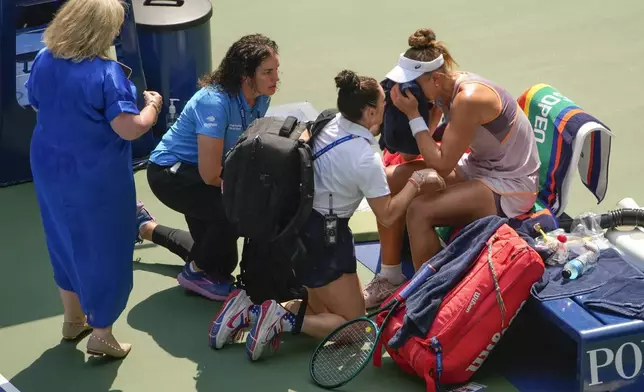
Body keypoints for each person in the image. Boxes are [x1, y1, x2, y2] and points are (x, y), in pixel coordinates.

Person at [209, 70, 443, 361]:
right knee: (357, 329)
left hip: (299, 226)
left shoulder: (329, 120)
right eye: (383, 104)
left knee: (323, 311)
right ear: (370, 112)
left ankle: (247, 310)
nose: (386, 109)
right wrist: (417, 182)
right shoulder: (364, 157)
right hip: (326, 240)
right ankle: (281, 319)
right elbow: (387, 215)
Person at [363, 28, 541, 308]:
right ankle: (391, 275)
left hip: (511, 184)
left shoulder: (468, 98)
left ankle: (429, 300)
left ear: (434, 78)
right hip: (477, 167)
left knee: (419, 210)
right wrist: (419, 118)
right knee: (387, 180)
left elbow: (442, 165)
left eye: (411, 84)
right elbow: (414, 157)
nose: (406, 91)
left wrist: (413, 116)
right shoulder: (439, 94)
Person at [26, 0, 162, 358]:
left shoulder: (43, 59)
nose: (118, 31)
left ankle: (73, 319)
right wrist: (152, 107)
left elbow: (38, 103)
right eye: (115, 25)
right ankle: (102, 332)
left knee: (61, 236)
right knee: (107, 246)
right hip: (96, 177)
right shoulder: (107, 73)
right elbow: (129, 129)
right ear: (98, 30)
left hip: (49, 166)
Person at [145, 34, 280, 300]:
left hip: (204, 174)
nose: (275, 78)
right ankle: (195, 272)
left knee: (219, 262)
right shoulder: (213, 102)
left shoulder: (261, 97)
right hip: (173, 174)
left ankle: (145, 227)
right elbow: (210, 174)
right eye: (267, 72)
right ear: (245, 74)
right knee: (236, 211)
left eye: (276, 70)